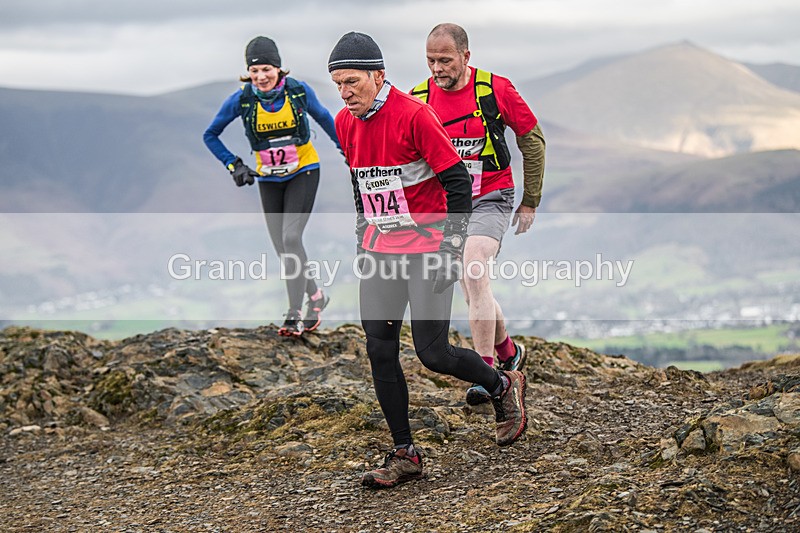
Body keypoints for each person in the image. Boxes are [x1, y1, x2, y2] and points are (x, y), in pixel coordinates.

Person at [329, 31, 528, 489]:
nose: (345, 92)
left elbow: (458, 183)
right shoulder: (344, 121)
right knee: (378, 348)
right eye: (338, 84)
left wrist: (449, 247)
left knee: (432, 353)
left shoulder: (415, 116)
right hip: (382, 250)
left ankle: (502, 385)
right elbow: (362, 184)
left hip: (428, 246)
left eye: (353, 81)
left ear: (378, 76)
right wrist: (364, 239)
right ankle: (405, 453)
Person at [411, 23, 546, 405]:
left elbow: (532, 139)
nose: (437, 68)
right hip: (448, 205)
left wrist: (530, 198)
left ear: (466, 57)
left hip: (491, 196)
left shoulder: (494, 89)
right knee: (473, 289)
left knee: (474, 267)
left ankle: (486, 373)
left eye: (445, 60)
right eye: (430, 60)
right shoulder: (419, 98)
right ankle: (508, 352)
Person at [204, 36, 341, 336]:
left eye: (266, 69)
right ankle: (316, 297)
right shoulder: (242, 100)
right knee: (283, 248)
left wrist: (350, 153)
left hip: (303, 172)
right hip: (268, 179)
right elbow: (210, 135)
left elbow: (326, 120)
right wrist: (234, 165)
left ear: (278, 68)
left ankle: (294, 314)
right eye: (254, 71)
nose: (261, 77)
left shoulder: (298, 92)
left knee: (291, 239)